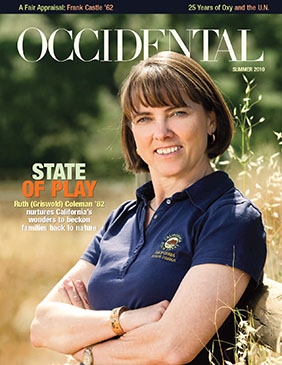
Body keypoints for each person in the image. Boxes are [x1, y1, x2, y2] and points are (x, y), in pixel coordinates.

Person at [30, 51, 267, 365]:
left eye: (178, 112)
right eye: (144, 118)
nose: (161, 131)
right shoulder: (124, 218)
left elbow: (171, 347)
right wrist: (125, 320)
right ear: (132, 132)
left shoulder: (230, 219)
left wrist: (84, 350)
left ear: (210, 119)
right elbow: (43, 326)